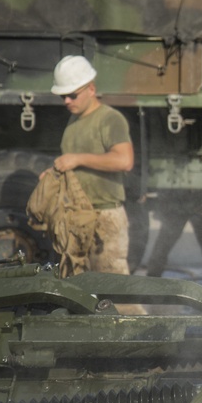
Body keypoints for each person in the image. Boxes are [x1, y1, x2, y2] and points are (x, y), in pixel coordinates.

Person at [48, 55, 134, 274]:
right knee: (80, 293)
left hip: (105, 219)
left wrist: (77, 158)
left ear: (91, 89)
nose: (67, 101)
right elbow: (73, 164)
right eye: (63, 96)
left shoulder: (110, 119)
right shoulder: (73, 122)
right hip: (78, 218)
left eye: (72, 95)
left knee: (116, 292)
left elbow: (125, 161)